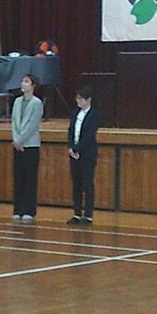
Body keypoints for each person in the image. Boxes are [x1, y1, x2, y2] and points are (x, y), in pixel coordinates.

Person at [11, 74, 44, 223]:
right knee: (18, 177)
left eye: (26, 81)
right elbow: (14, 121)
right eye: (22, 81)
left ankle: (29, 210)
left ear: (33, 85)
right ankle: (18, 209)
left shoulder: (37, 103)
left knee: (30, 178)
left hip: (30, 145)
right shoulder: (17, 101)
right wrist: (16, 140)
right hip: (18, 145)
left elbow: (32, 124)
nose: (23, 84)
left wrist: (21, 140)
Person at [67, 86, 101, 225]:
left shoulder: (95, 115)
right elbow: (71, 131)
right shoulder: (75, 113)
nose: (78, 101)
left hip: (87, 153)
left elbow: (89, 135)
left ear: (89, 100)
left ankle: (88, 215)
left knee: (87, 183)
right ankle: (76, 213)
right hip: (74, 153)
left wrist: (77, 148)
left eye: (81, 99)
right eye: (77, 98)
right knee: (76, 183)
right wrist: (71, 147)